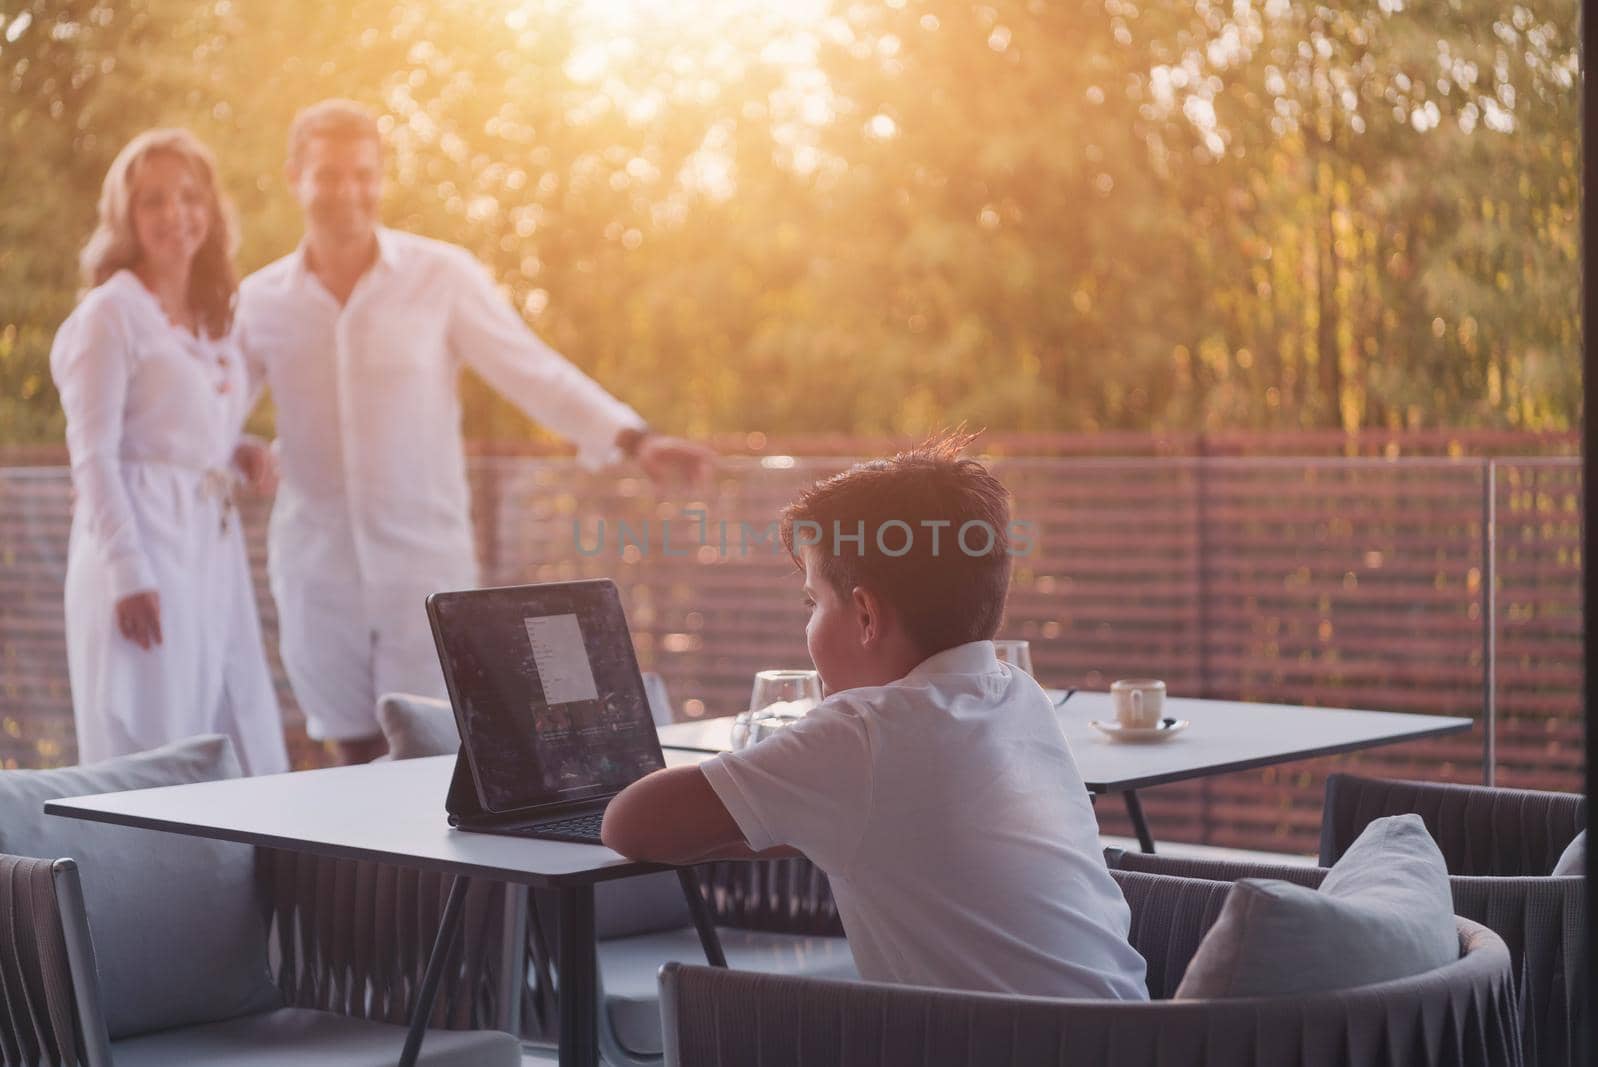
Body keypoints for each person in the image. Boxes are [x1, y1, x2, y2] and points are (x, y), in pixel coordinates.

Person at [237, 100, 714, 764]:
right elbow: (214, 406)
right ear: (295, 178)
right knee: (349, 750)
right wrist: (229, 451)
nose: (347, 192)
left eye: (362, 174)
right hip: (315, 569)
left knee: (430, 748)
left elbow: (531, 369)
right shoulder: (259, 300)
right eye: (328, 175)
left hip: (422, 561)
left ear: (381, 176)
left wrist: (634, 438)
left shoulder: (441, 276)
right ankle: (369, 873)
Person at [602, 434, 1148, 999]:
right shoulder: (1019, 697)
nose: (808, 626)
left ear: (865, 614)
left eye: (813, 603)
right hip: (1129, 1035)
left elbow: (629, 823)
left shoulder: (862, 735)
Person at [51, 129, 290, 776]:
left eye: (189, 197)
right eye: (153, 200)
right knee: (153, 744)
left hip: (212, 547)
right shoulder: (112, 312)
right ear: (126, 215)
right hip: (143, 548)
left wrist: (235, 448)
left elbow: (181, 426)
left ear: (210, 211)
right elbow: (93, 452)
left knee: (233, 720)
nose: (174, 214)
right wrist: (128, 572)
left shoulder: (219, 319)